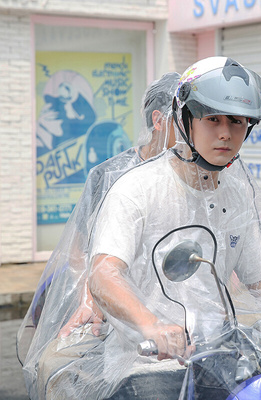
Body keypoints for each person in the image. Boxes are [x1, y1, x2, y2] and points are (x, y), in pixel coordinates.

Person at [23, 58, 261, 400]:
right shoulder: (137, 188)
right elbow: (104, 273)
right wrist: (152, 326)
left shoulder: (236, 191)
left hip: (223, 357)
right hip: (149, 363)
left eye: (237, 122)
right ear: (185, 120)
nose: (225, 133)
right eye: (213, 119)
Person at [17, 72, 181, 398]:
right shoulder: (109, 175)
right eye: (186, 119)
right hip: (108, 305)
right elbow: (79, 252)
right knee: (54, 367)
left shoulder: (192, 177)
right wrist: (95, 299)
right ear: (158, 120)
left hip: (173, 311)